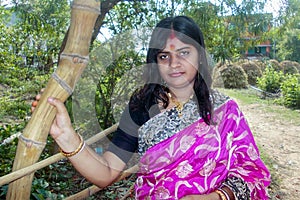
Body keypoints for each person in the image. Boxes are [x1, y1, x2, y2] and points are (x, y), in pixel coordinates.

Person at [32, 16, 271, 200]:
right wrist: (66, 136)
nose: (174, 64)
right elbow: (106, 172)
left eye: (184, 53)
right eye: (164, 56)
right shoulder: (140, 107)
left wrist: (215, 197)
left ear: (200, 55)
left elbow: (251, 170)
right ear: (155, 61)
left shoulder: (224, 110)